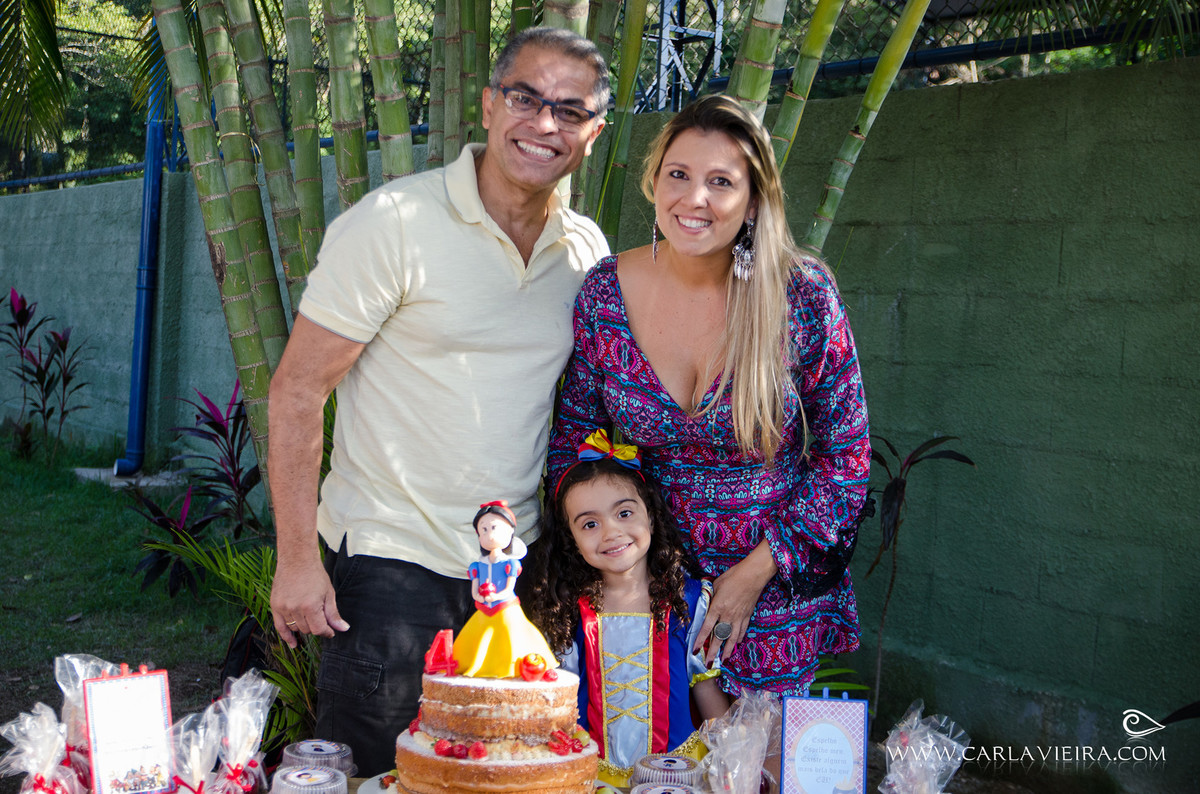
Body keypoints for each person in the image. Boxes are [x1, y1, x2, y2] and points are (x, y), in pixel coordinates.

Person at [267, 27, 610, 775]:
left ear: (594, 131)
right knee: (382, 778)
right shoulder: (394, 223)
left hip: (517, 573)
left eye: (569, 110)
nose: (544, 122)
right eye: (525, 97)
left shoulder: (585, 252)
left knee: (506, 779)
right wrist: (296, 561)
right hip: (393, 567)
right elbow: (296, 391)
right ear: (488, 105)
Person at [546, 94, 871, 698]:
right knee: (647, 752)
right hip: (641, 595)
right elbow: (572, 444)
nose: (693, 198)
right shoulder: (605, 293)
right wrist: (613, 562)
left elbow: (845, 461)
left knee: (756, 755)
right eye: (678, 174)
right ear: (654, 182)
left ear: (754, 200)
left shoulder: (801, 297)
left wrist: (754, 573)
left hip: (773, 598)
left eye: (720, 181)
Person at [525, 429, 730, 786]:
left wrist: (731, 763)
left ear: (650, 516)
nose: (610, 532)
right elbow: (558, 702)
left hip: (675, 774)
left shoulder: (689, 601)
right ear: (571, 539)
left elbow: (706, 690)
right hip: (592, 775)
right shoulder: (570, 608)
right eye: (590, 524)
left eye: (624, 513)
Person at [452, 499, 558, 678]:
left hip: (505, 607)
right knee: (475, 638)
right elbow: (475, 589)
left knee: (513, 635)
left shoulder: (510, 563)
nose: (489, 535)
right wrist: (480, 597)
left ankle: (518, 666)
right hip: (484, 608)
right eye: (483, 530)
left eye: (494, 528)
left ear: (510, 531)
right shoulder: (478, 565)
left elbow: (510, 587)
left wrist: (496, 596)